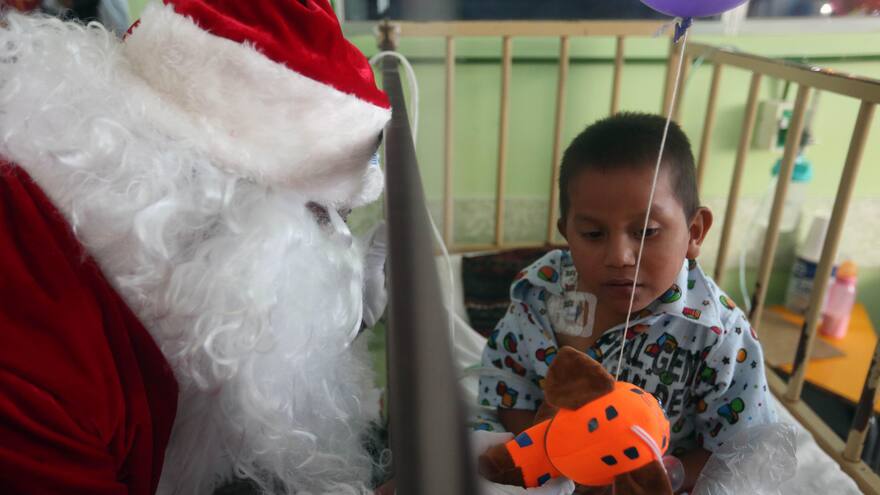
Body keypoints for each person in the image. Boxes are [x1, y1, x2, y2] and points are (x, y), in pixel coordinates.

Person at [0, 1, 391, 493]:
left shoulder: (92, 237)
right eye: (327, 216)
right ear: (228, 202)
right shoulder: (42, 378)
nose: (337, 242)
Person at [475, 113, 775, 491]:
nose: (619, 255)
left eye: (646, 232)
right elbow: (507, 380)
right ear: (566, 232)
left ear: (694, 232)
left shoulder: (719, 334)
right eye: (593, 233)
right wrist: (550, 457)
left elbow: (739, 446)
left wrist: (666, 477)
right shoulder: (541, 293)